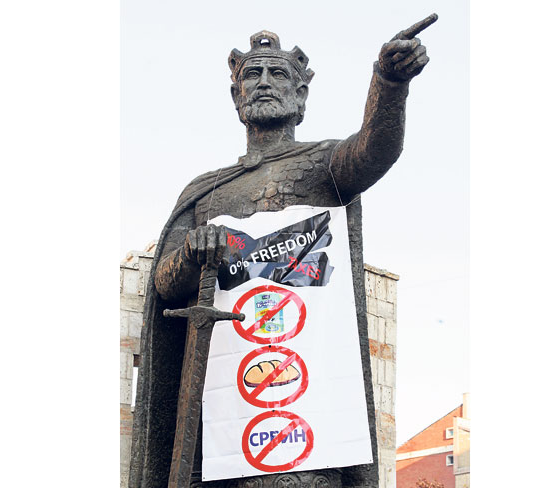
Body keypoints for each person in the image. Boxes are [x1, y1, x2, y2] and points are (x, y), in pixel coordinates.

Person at [131, 17, 435, 488]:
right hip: (223, 413)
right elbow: (164, 285)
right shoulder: (206, 191)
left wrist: (389, 83)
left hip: (305, 406)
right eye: (252, 75)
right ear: (236, 96)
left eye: (277, 74)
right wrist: (191, 253)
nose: (264, 83)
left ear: (301, 95)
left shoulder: (324, 164)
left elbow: (375, 150)